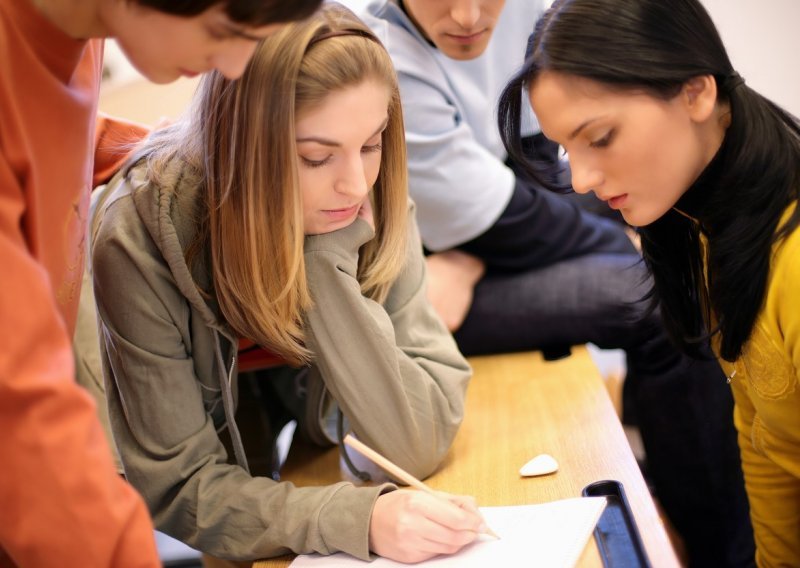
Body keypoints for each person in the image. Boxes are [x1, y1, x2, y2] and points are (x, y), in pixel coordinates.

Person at [355, 0, 755, 565]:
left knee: (672, 281)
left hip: (469, 257)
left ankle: (689, 501)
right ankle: (722, 549)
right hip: (420, 292)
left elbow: (533, 166)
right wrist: (627, 236)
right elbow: (501, 221)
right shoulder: (378, 51)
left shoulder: (524, 13)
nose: (469, 17)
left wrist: (470, 254)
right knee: (658, 301)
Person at [88, 3, 484, 564]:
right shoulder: (138, 237)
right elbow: (182, 487)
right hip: (199, 431)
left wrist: (324, 262)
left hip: (301, 411)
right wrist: (355, 520)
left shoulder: (371, 191)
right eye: (316, 157)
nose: (354, 183)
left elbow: (419, 440)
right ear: (243, 149)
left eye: (371, 144)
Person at [0, 0, 321, 565]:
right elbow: (18, 406)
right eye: (225, 32)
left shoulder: (85, 24)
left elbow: (53, 125)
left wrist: (167, 155)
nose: (239, 65)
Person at [499, 0, 800, 565]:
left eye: (602, 137)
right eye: (569, 149)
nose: (583, 180)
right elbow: (765, 441)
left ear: (695, 92)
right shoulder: (709, 227)